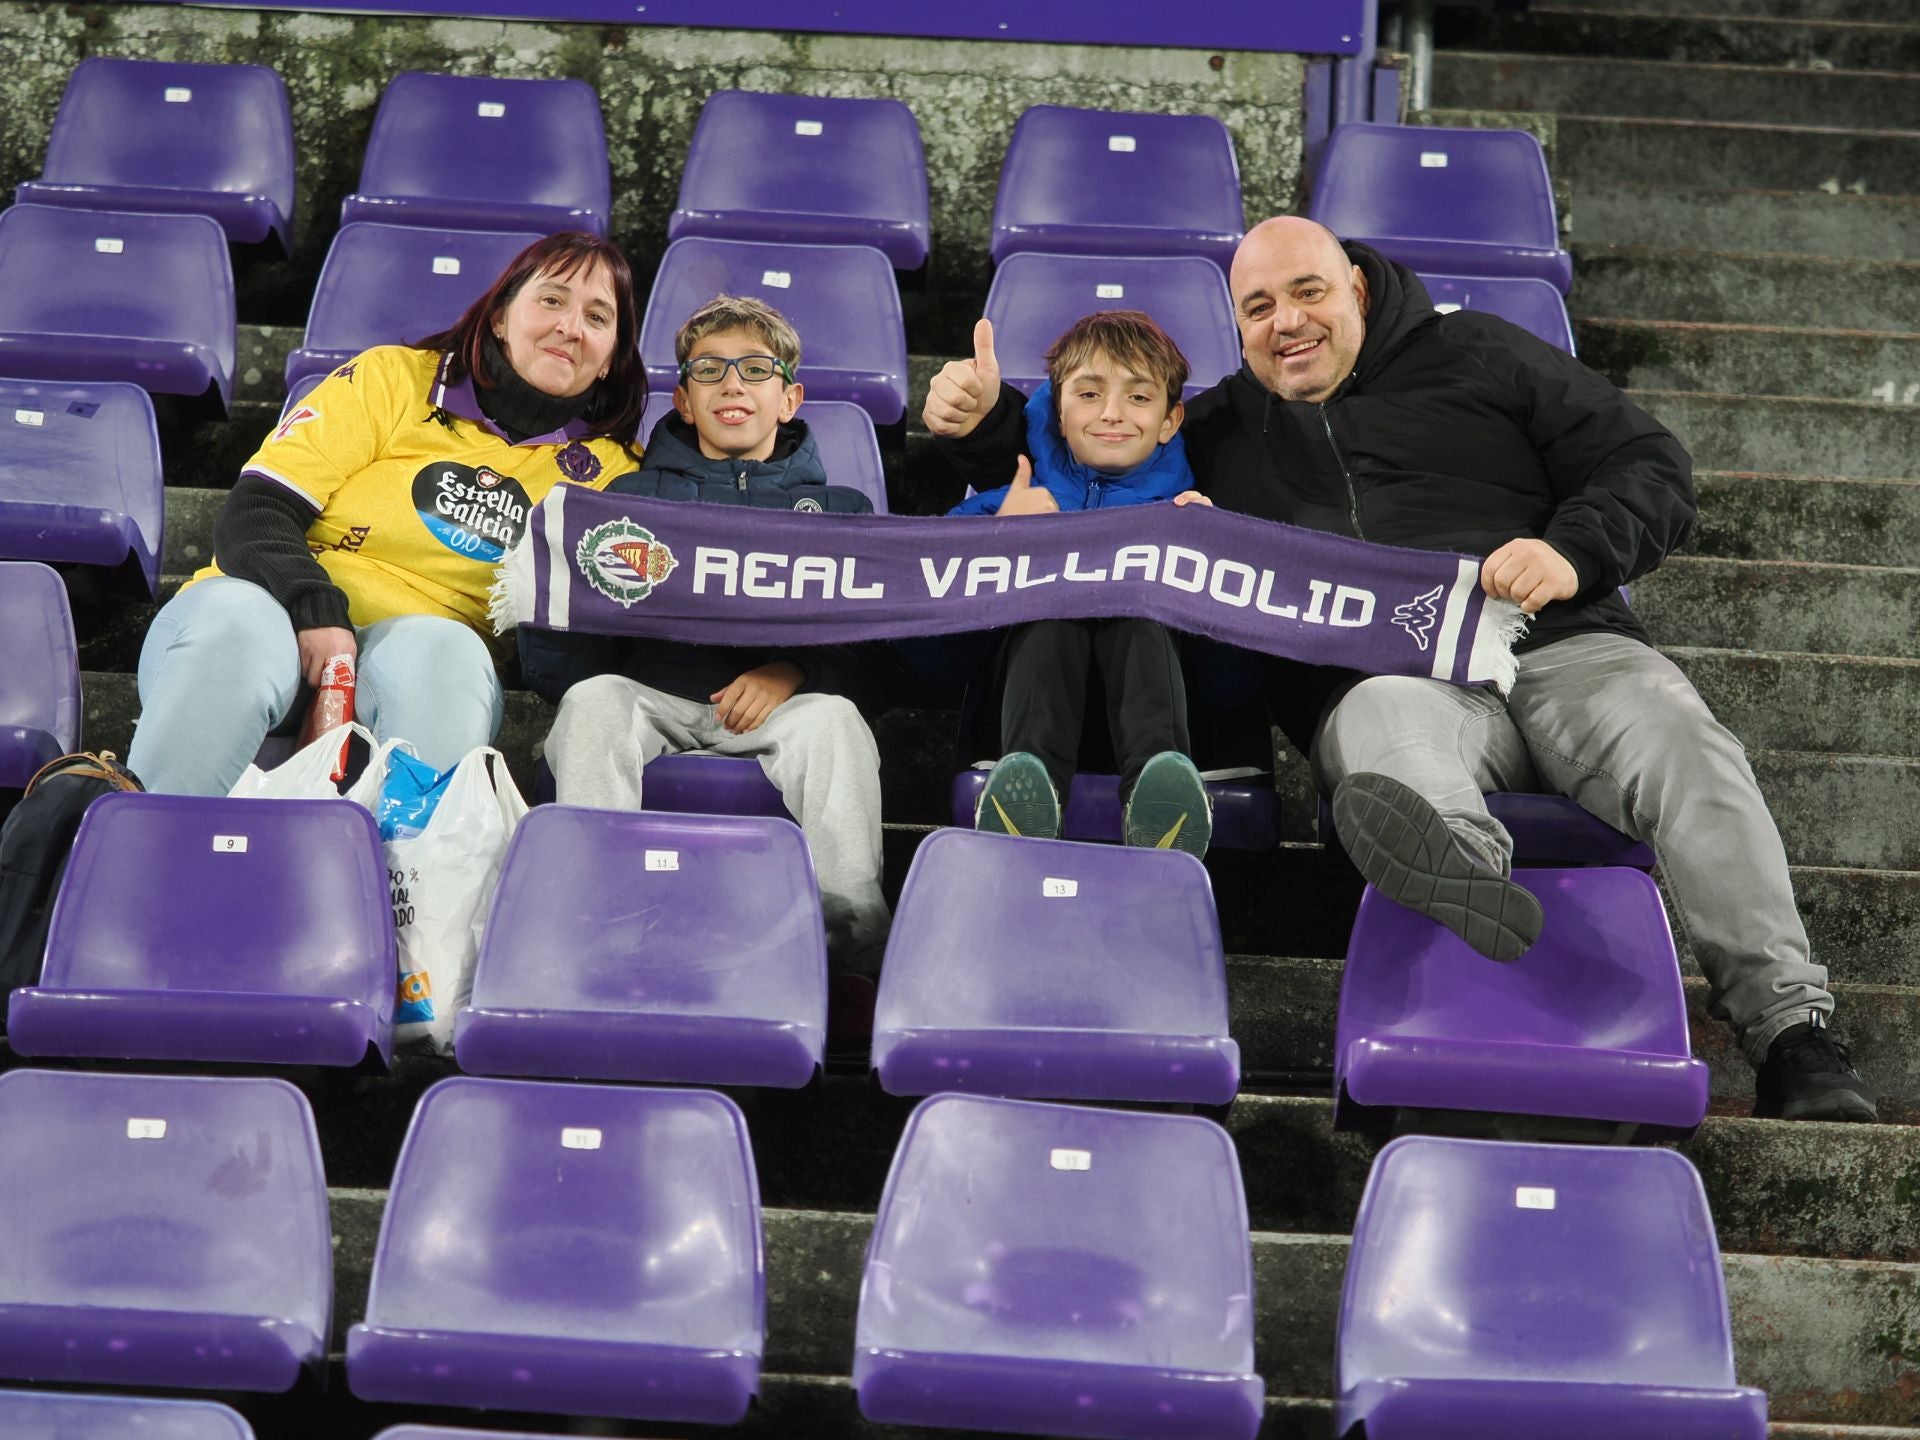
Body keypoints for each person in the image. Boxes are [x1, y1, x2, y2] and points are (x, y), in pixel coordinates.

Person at [924, 215, 1874, 1123]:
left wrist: (1573, 553)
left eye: (1308, 293)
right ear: (1238, 330)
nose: (1287, 321)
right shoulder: (1218, 425)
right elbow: (1106, 436)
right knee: (1386, 736)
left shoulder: (1483, 354)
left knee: (1683, 738)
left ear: (1360, 291)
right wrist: (983, 425)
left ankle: (1792, 1031)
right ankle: (1469, 883)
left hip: (1563, 644)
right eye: (1258, 309)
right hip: (1390, 678)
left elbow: (1646, 460)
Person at [127, 231, 644, 796]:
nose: (571, 327)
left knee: (445, 657)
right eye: (552, 300)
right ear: (500, 316)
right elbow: (257, 509)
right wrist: (316, 609)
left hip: (426, 650)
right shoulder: (392, 379)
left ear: (610, 358)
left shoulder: (613, 473)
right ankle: (148, 858)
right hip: (273, 610)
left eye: (598, 317)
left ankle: (405, 881)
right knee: (235, 623)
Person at [526, 295, 891, 976]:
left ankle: (853, 947)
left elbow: (873, 659)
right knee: (594, 701)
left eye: (756, 369)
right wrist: (551, 583)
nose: (732, 383)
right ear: (684, 402)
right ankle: (588, 920)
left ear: (790, 399)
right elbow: (563, 673)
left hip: (779, 710)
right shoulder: (626, 500)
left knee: (837, 720)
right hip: (651, 694)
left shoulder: (842, 512)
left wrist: (791, 674)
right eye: (709, 370)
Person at [949, 310, 1214, 858]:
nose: (1113, 414)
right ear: (1059, 414)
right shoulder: (1012, 504)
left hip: (1159, 719)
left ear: (1170, 420)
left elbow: (1237, 674)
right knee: (1057, 608)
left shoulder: (1192, 518)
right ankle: (1025, 792)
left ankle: (1160, 794)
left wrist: (1213, 554)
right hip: (1020, 722)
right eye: (1089, 394)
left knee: (1135, 609)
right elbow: (924, 615)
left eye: (1139, 398)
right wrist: (997, 538)